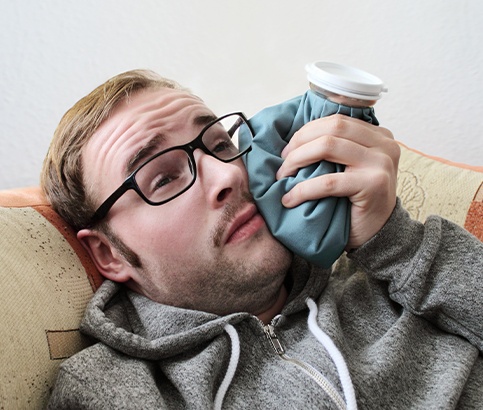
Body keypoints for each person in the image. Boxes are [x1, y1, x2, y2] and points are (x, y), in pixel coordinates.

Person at [42, 69, 483, 409]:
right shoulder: (113, 390)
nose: (229, 174)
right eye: (163, 177)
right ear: (110, 253)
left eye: (218, 143)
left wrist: (397, 245)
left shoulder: (400, 272)